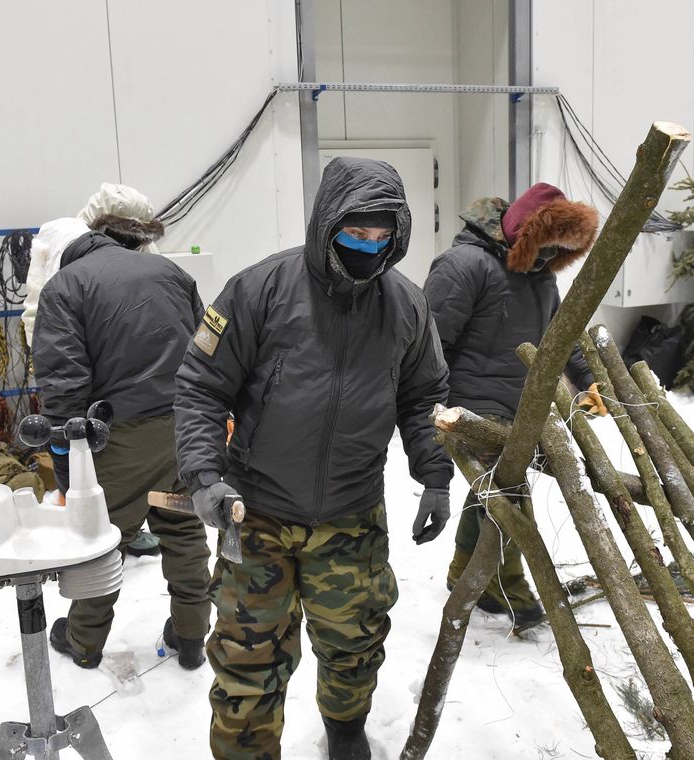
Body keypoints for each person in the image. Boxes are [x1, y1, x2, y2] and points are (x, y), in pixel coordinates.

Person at [174, 157, 453, 760]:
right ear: (327, 224)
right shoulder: (259, 289)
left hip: (352, 516)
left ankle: (347, 729)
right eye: (356, 233)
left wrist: (434, 475)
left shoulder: (405, 304)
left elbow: (423, 396)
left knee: (354, 644)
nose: (368, 247)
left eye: (383, 237)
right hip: (257, 514)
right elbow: (200, 385)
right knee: (249, 660)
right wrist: (204, 477)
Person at [30, 184, 212, 671]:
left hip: (121, 439)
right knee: (183, 526)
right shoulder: (170, 271)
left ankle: (85, 641)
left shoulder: (65, 288)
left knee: (103, 537)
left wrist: (69, 467)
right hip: (185, 429)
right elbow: (206, 350)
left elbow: (63, 385)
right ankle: (192, 635)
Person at [423, 182, 603, 628]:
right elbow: (427, 344)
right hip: (466, 407)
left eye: (557, 251)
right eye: (542, 246)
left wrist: (588, 380)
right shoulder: (465, 266)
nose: (547, 258)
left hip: (518, 404)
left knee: (493, 491)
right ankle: (513, 591)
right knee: (508, 492)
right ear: (523, 232)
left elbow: (560, 337)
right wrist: (427, 408)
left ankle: (465, 574)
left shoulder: (541, 281)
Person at [23, 185, 163, 558]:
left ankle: (121, 527)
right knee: (94, 474)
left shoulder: (145, 258)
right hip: (89, 388)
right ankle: (103, 535)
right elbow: (42, 323)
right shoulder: (64, 258)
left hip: (138, 397)